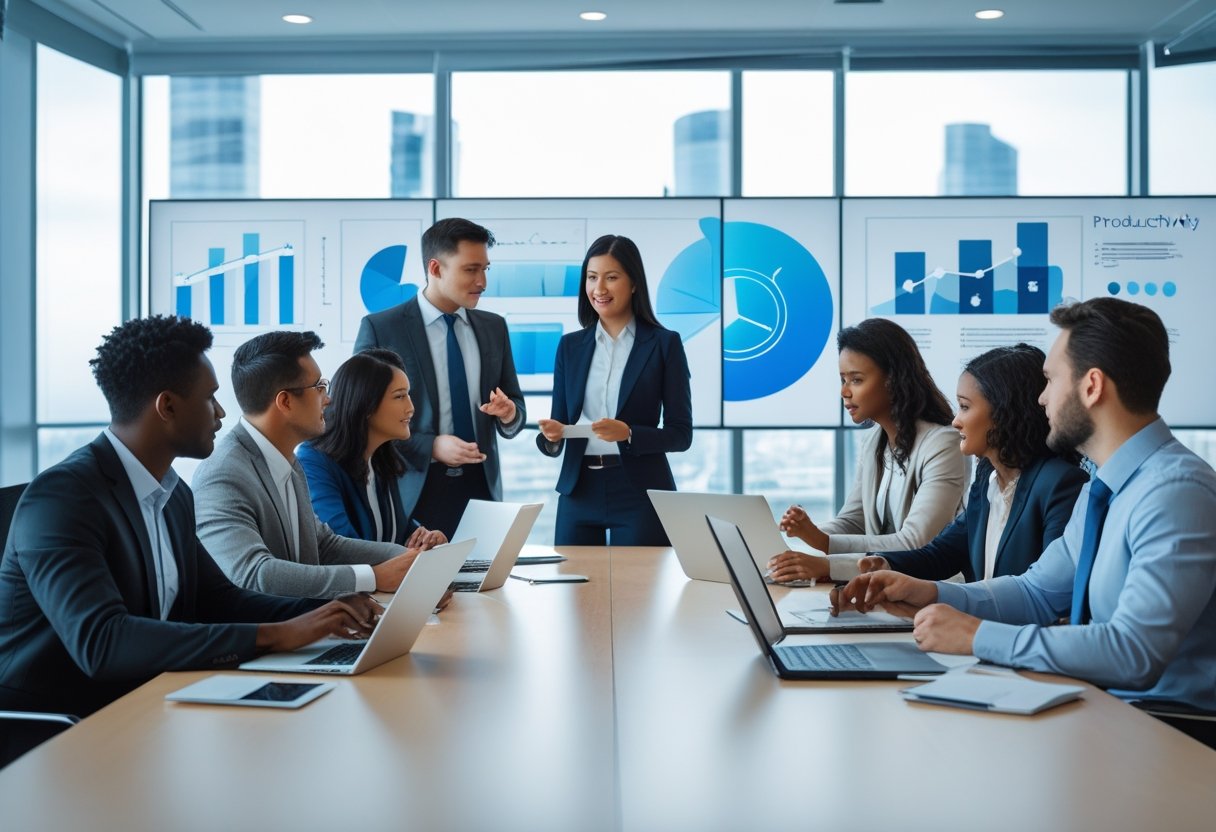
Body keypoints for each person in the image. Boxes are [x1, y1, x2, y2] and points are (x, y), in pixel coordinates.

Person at [832, 298, 1216, 738]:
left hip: (1170, 730)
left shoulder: (1175, 491)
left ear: (1091, 386)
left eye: (1051, 380)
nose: (1041, 397)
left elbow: (1133, 651)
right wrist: (928, 591)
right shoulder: (1104, 487)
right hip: (1110, 712)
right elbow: (1037, 591)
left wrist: (978, 636)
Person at [0, 316, 380, 721]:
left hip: (151, 701)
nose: (220, 412)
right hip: (58, 727)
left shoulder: (172, 493)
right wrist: (279, 635)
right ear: (167, 406)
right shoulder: (63, 497)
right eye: (210, 398)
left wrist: (328, 611)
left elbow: (220, 599)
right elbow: (102, 642)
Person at [193, 331, 427, 599]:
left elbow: (324, 545)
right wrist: (373, 577)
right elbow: (253, 575)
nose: (327, 398)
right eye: (318, 387)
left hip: (306, 625)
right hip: (268, 636)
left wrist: (412, 561)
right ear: (285, 401)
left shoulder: (287, 461)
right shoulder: (224, 475)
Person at [856, 344, 1088, 582]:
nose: (956, 421)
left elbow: (1050, 590)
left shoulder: (1060, 484)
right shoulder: (988, 478)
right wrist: (886, 563)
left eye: (965, 407)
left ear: (1003, 413)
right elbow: (943, 554)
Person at [355, 218, 526, 538]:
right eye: (471, 269)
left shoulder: (494, 327)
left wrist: (510, 413)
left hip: (482, 490)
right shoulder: (382, 328)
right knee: (420, 586)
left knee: (485, 585)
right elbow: (359, 415)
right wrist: (430, 446)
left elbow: (515, 407)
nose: (482, 281)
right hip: (411, 492)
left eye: (485, 269)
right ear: (435, 268)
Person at [766, 318, 966, 583]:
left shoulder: (943, 443)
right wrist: (805, 534)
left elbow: (916, 541)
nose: (844, 392)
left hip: (931, 590)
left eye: (856, 380)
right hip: (878, 587)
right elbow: (852, 521)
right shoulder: (873, 442)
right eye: (843, 380)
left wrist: (826, 558)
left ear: (894, 380)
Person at [536, 235, 692, 545]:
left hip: (640, 491)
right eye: (592, 278)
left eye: (611, 277)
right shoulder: (570, 346)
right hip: (578, 489)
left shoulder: (664, 345)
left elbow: (680, 435)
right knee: (573, 589)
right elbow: (558, 428)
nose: (599, 289)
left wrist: (629, 433)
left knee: (639, 592)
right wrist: (552, 436)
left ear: (634, 283)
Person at [298, 348, 447, 548]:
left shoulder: (380, 456)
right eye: (399, 396)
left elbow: (395, 531)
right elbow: (340, 546)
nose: (411, 407)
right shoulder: (313, 460)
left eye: (408, 395)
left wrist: (424, 538)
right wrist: (407, 556)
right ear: (366, 404)